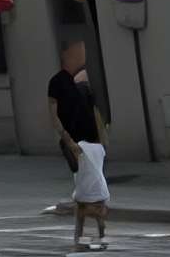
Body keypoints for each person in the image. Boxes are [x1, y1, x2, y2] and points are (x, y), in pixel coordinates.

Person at [47, 41, 108, 251]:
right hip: (75, 142)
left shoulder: (84, 85)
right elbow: (54, 116)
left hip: (91, 143)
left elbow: (95, 114)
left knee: (91, 185)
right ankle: (82, 235)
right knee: (85, 185)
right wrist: (68, 141)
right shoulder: (58, 82)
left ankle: (90, 234)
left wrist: (101, 139)